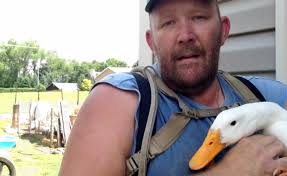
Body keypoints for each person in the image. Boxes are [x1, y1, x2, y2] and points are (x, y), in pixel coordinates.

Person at [59, 0, 287, 175]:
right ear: (151, 43)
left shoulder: (271, 96)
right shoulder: (115, 102)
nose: (185, 36)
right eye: (168, 22)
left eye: (198, 17)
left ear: (223, 30)